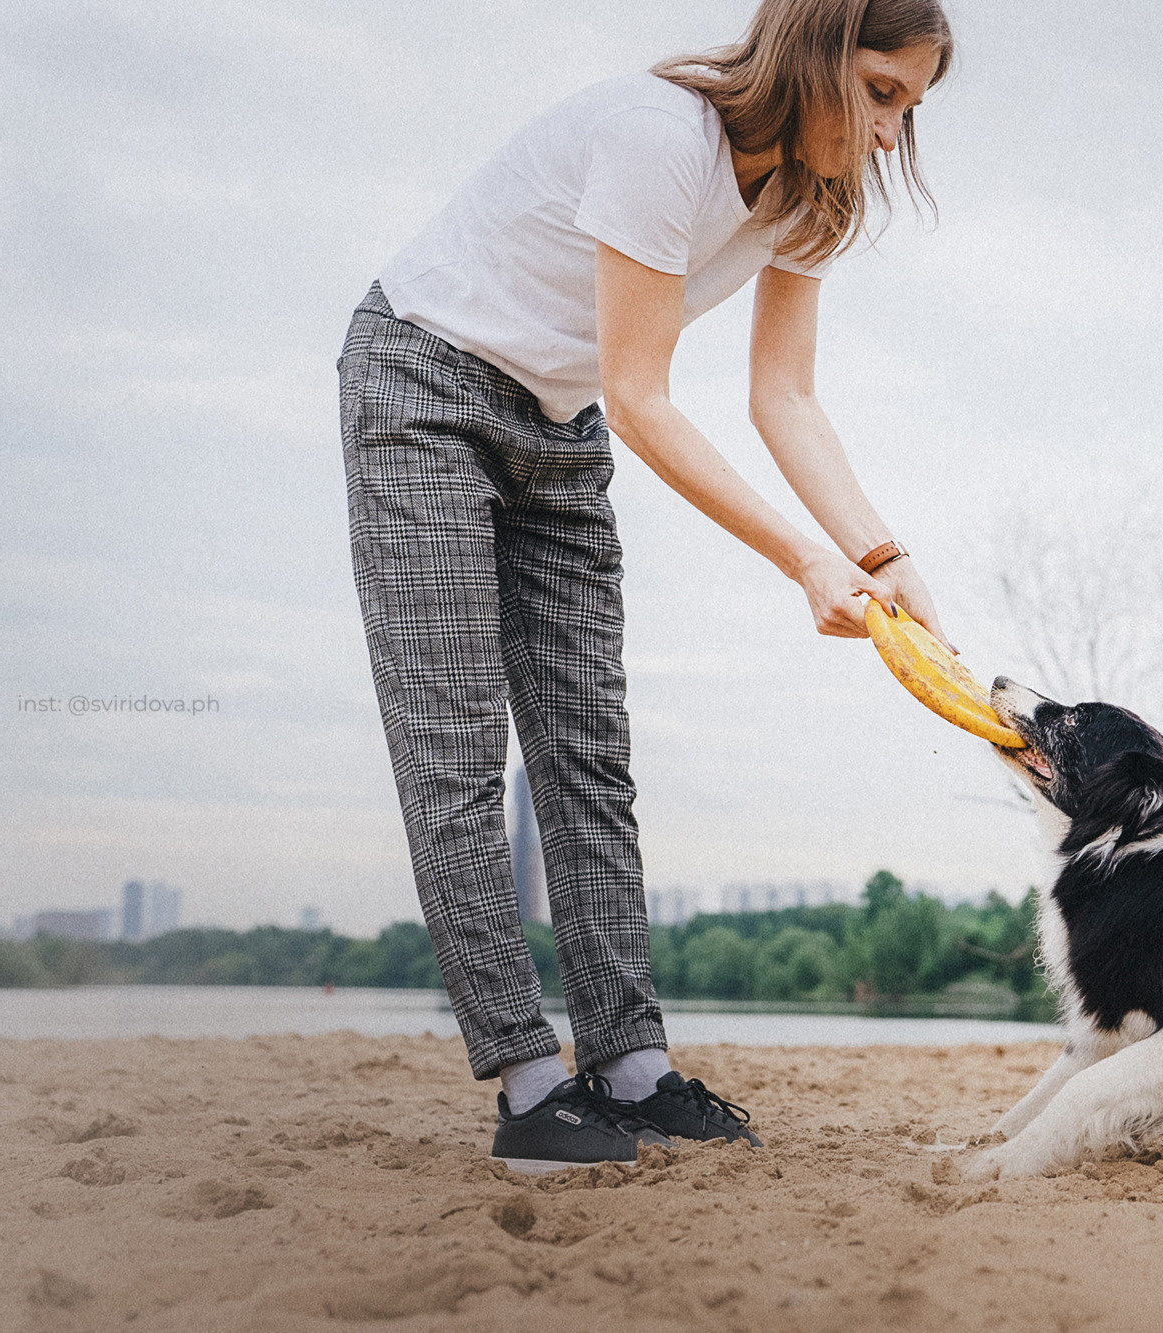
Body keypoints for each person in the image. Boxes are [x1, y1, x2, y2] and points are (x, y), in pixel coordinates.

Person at [336, 0, 955, 1171]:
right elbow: (643, 395)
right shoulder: (658, 137)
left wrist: (884, 557)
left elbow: (785, 397)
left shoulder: (814, 199)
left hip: (558, 422)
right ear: (814, 47)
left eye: (908, 110)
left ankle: (630, 1065)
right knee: (455, 752)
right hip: (425, 382)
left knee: (587, 751)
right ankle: (529, 1086)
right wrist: (803, 561)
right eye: (881, 92)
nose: (889, 135)